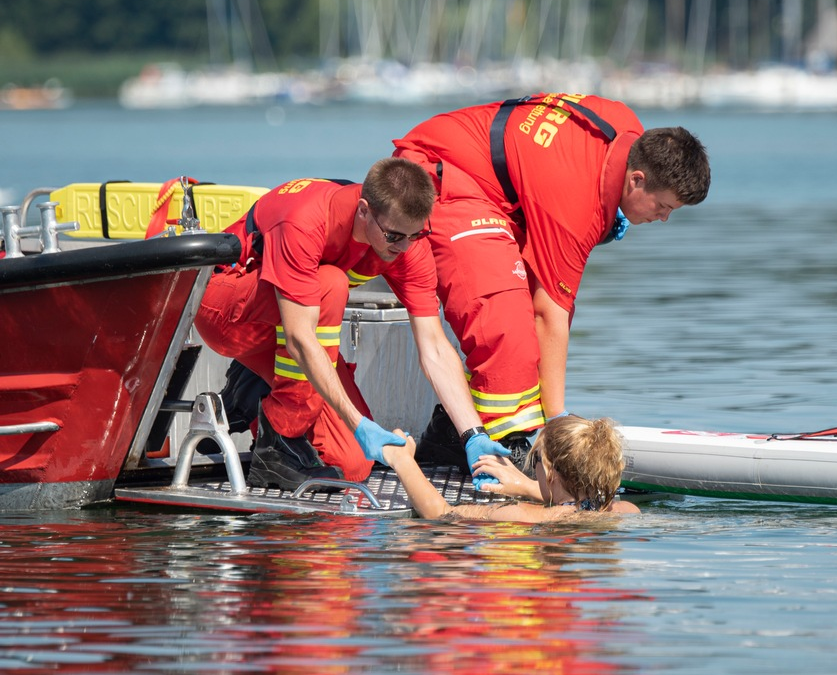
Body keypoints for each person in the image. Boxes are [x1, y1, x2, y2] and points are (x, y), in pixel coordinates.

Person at [391, 93, 711, 469]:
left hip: (497, 188)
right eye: (663, 207)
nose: (663, 219)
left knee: (528, 321)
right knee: (507, 327)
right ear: (636, 180)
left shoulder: (627, 132)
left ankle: (456, 430)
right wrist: (557, 423)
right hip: (436, 178)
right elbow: (550, 314)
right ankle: (496, 441)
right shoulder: (574, 201)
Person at [194, 157, 510, 491]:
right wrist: (357, 422)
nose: (404, 247)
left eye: (416, 234)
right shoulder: (305, 219)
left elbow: (433, 346)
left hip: (289, 326)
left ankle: (253, 391)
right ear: (363, 210)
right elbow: (301, 338)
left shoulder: (407, 243)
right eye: (394, 235)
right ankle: (279, 445)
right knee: (330, 283)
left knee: (354, 463)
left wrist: (473, 435)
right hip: (224, 312)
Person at [383, 414, 640, 521]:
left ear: (550, 473)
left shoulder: (521, 515)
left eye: (535, 458)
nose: (532, 464)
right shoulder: (625, 510)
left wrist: (403, 460)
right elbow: (574, 506)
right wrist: (527, 487)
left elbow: (440, 513)